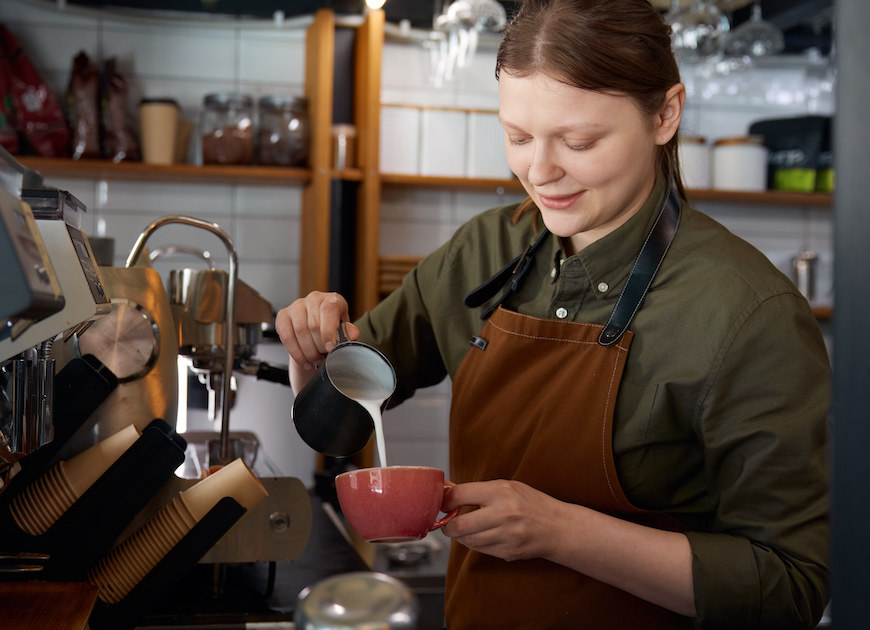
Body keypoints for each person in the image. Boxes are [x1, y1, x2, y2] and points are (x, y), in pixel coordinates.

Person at [275, 0, 830, 627]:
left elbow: (788, 588)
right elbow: (339, 424)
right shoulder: (483, 250)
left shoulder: (747, 313)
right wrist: (315, 357)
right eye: (517, 137)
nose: (540, 173)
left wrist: (560, 530)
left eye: (580, 141)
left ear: (665, 114)